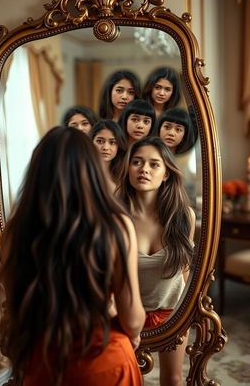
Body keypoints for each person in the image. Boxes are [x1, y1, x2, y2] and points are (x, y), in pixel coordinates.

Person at [0, 127, 145, 386]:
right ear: (93, 170)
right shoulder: (117, 226)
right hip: (106, 360)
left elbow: (14, 304)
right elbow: (132, 317)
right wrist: (131, 335)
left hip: (43, 363)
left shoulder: (15, 229)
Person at [116, 136, 195, 386]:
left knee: (173, 379)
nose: (144, 169)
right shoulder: (116, 217)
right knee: (128, 378)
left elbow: (184, 270)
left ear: (166, 174)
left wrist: (181, 312)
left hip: (172, 313)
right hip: (125, 314)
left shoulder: (184, 217)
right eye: (137, 162)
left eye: (154, 164)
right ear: (128, 168)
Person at [90, 119, 126, 191]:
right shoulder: (82, 171)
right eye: (100, 141)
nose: (106, 148)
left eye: (112, 142)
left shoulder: (124, 174)